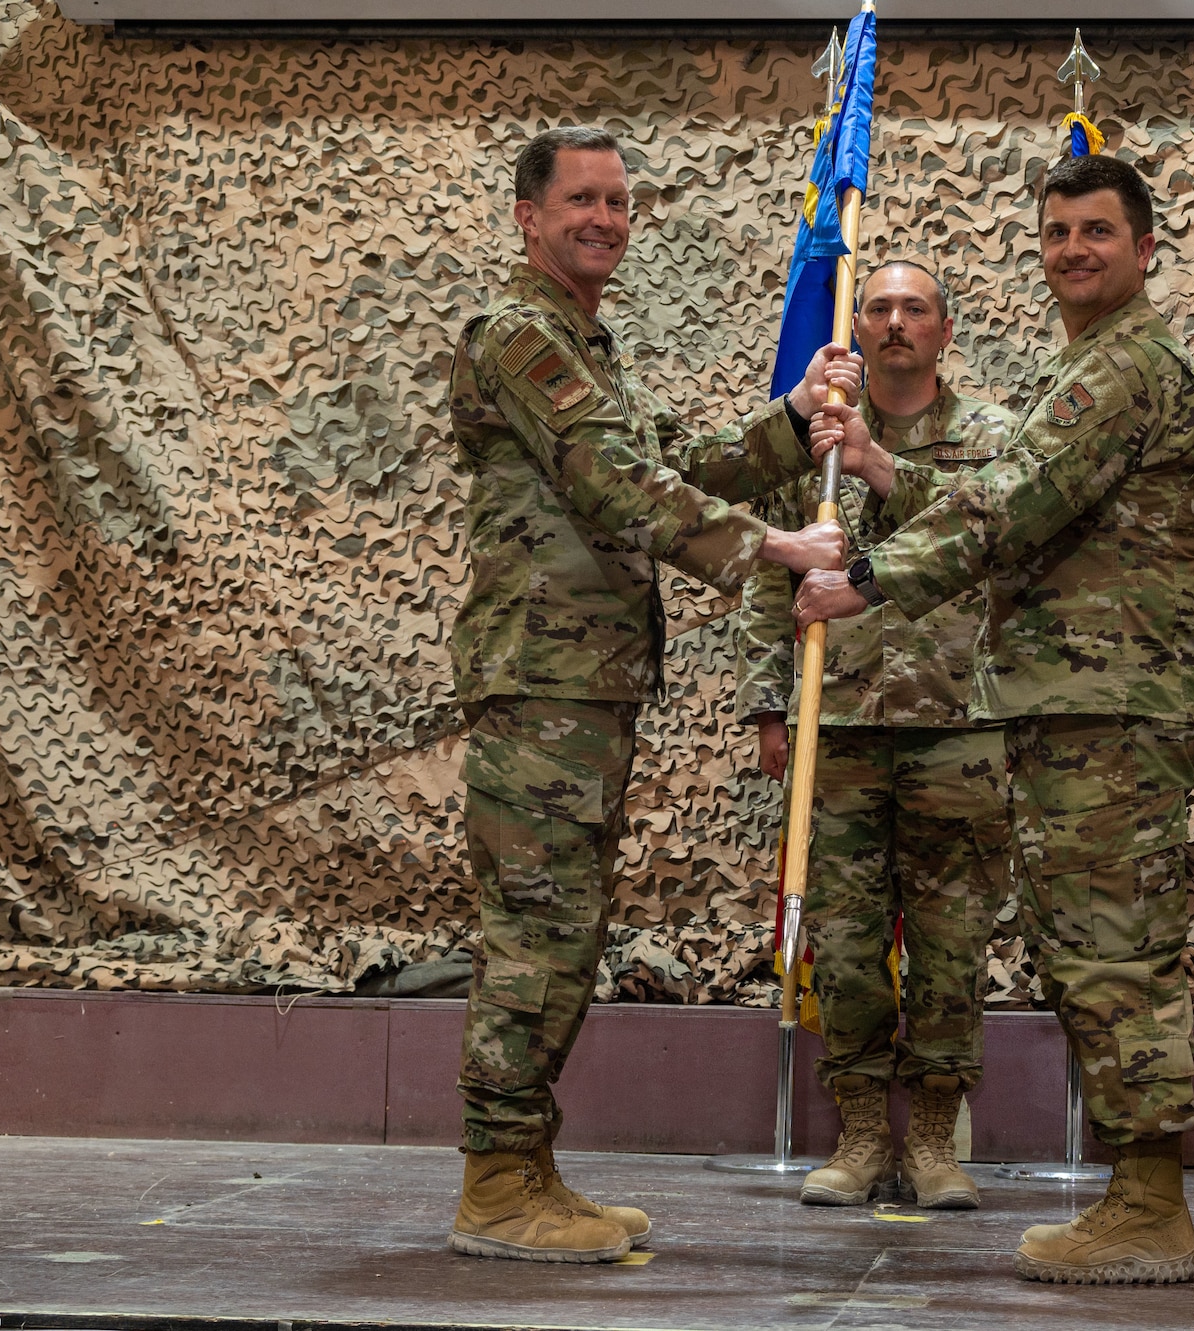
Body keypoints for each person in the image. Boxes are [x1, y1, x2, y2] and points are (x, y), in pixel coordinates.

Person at [795, 153, 1194, 1285]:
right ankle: (1137, 1194)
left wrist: (866, 584)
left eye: (1095, 231)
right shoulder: (1086, 366)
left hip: (1107, 705)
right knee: (1087, 953)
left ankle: (1148, 1205)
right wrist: (882, 488)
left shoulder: (1123, 367)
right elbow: (1002, 504)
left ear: (1143, 248)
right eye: (1054, 232)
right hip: (1075, 703)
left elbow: (1009, 504)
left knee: (1115, 954)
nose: (1072, 249)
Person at [445, 125, 865, 1263]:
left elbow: (673, 461)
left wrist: (791, 419)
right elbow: (612, 480)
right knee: (534, 936)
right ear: (527, 218)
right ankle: (493, 1183)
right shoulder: (518, 337)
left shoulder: (587, 347)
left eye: (619, 201)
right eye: (580, 200)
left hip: (585, 688)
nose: (604, 218)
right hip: (538, 684)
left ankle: (528, 1169)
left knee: (564, 936)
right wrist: (777, 547)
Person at [736, 260, 1018, 1212]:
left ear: (947, 330)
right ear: (854, 327)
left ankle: (934, 1139)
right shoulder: (810, 443)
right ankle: (861, 1133)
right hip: (842, 725)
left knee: (951, 939)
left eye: (916, 309)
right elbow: (768, 588)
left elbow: (988, 538)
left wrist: (873, 464)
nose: (896, 322)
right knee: (846, 941)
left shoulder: (994, 437)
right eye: (878, 307)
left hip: (959, 724)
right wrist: (773, 709)